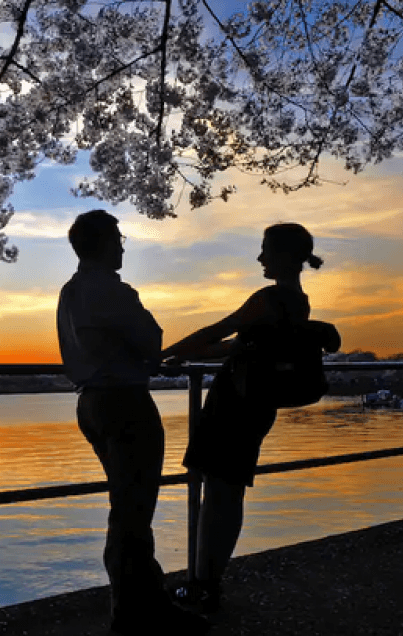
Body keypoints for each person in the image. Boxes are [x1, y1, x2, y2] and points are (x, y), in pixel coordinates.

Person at [161, 222, 340, 614]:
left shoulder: (269, 298)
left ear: (287, 256)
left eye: (266, 250)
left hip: (235, 404)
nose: (259, 258)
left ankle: (204, 585)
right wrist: (186, 356)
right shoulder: (298, 301)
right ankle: (207, 580)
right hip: (256, 405)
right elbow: (239, 346)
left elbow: (217, 330)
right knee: (228, 492)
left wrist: (156, 357)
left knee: (219, 495)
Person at [56, 209, 209, 636]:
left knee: (125, 506)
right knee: (134, 510)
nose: (123, 246)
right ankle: (134, 612)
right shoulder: (112, 289)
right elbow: (150, 340)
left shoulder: (70, 291)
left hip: (90, 401)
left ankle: (142, 603)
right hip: (124, 401)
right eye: (119, 238)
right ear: (105, 242)